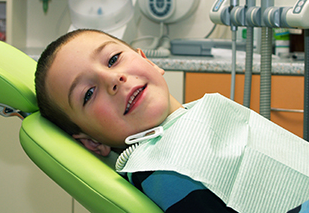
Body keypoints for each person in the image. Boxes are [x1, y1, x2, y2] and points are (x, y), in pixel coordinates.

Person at [35, 29, 309, 213]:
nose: (113, 79)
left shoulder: (201, 113)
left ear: (149, 62)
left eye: (113, 59)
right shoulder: (162, 172)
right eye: (89, 94)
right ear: (92, 143)